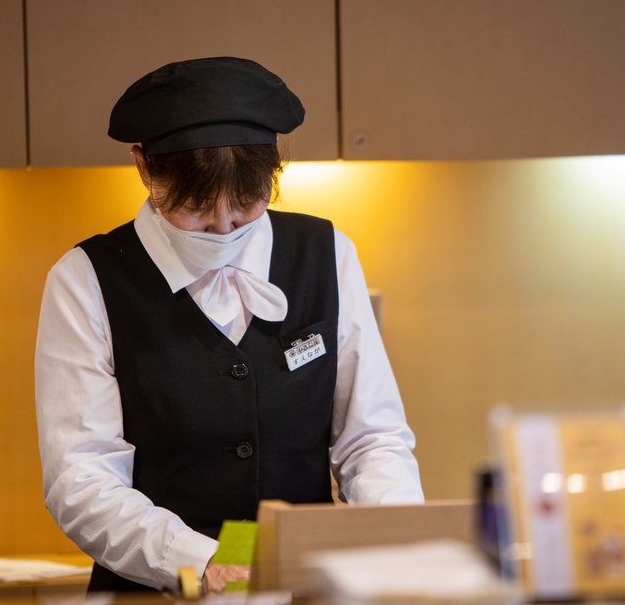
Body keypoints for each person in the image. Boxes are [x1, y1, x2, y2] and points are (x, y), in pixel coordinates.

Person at [35, 57, 424, 593]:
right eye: (196, 209)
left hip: (303, 588)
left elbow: (371, 439)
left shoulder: (326, 253)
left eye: (246, 204)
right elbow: (81, 479)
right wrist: (201, 559)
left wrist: (395, 534)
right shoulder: (85, 280)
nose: (223, 227)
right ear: (145, 167)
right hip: (155, 594)